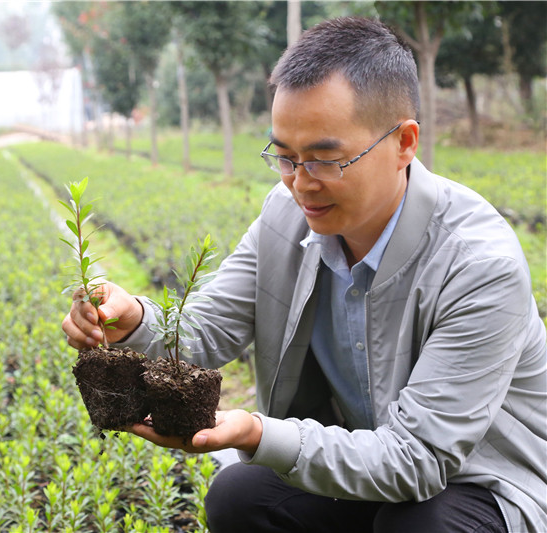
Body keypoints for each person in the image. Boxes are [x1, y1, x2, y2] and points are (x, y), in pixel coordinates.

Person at [62, 17, 546, 533]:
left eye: (324, 159)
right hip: (363, 458)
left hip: (483, 482)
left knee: (420, 526)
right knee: (241, 497)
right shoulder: (285, 215)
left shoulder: (477, 265)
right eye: (285, 157)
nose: (300, 184)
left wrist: (255, 433)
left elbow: (419, 460)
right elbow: (205, 332)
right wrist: (131, 318)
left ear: (404, 142)